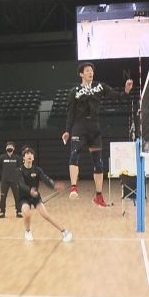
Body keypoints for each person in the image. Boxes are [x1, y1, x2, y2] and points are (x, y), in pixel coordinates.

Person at [62, 62, 134, 207]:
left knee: (98, 163)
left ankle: (99, 196)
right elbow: (70, 113)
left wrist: (126, 91)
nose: (90, 73)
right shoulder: (74, 91)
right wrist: (67, 131)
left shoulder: (100, 86)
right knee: (74, 155)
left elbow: (116, 96)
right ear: (81, 74)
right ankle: (74, 188)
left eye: (92, 71)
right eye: (87, 71)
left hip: (94, 127)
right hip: (79, 126)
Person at [17, 146, 73, 243]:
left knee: (46, 215)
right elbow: (20, 184)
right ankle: (28, 232)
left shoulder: (37, 170)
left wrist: (54, 185)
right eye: (27, 154)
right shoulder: (19, 170)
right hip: (23, 197)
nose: (30, 155)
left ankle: (64, 232)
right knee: (27, 213)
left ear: (33, 158)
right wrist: (30, 190)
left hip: (35, 197)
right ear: (23, 157)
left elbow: (46, 179)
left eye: (31, 154)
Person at [0, 141, 22, 218]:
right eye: (8, 146)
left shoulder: (17, 157)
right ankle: (2, 212)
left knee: (17, 196)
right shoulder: (2, 157)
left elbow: (20, 168)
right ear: (6, 148)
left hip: (14, 181)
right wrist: (4, 175)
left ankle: (18, 211)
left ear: (14, 148)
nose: (9, 148)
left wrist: (16, 176)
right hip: (5, 181)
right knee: (3, 196)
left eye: (11, 146)